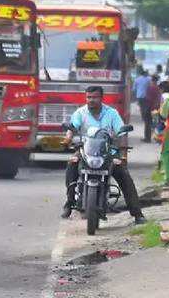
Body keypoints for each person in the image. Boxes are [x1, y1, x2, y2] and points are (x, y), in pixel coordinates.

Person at [61, 86, 146, 224]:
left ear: (101, 98)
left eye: (94, 97)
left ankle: (137, 213)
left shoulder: (112, 113)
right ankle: (69, 203)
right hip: (86, 151)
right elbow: (72, 127)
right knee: (72, 164)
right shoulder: (80, 113)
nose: (91, 100)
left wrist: (122, 154)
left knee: (124, 175)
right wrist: (68, 138)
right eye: (89, 97)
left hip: (108, 152)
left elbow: (121, 132)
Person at [134, 68, 153, 142]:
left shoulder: (137, 79)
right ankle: (144, 116)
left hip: (139, 96)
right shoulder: (149, 79)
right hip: (146, 97)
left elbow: (134, 88)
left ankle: (143, 116)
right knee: (145, 109)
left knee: (142, 108)